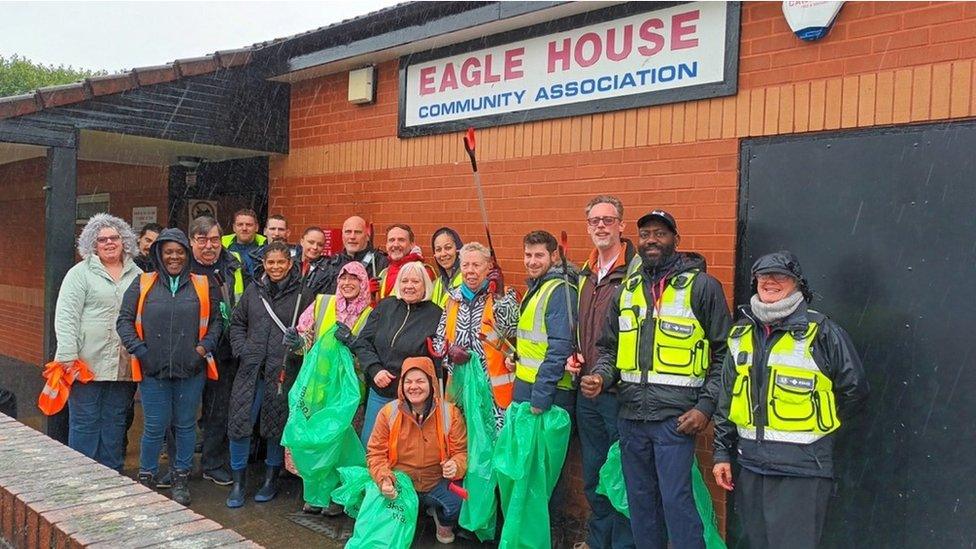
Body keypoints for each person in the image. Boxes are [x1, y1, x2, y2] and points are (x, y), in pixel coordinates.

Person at [580, 210, 731, 549]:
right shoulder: (627, 291)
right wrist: (601, 378)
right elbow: (609, 350)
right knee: (641, 505)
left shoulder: (702, 287)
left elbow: (726, 356)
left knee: (677, 504)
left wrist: (705, 408)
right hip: (631, 417)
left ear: (675, 240)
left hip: (675, 422)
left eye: (660, 234)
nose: (651, 240)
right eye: (645, 233)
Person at [712, 251, 868, 549]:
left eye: (780, 276)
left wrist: (822, 432)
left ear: (796, 284)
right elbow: (726, 399)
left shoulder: (821, 332)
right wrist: (721, 453)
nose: (770, 281)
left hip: (803, 470)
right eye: (763, 276)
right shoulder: (741, 333)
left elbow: (855, 391)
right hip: (753, 466)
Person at [117, 228, 221, 505]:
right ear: (159, 256)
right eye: (168, 252)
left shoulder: (203, 283)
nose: (174, 257)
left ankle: (180, 479)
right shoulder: (142, 283)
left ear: (187, 255)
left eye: (179, 252)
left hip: (191, 370)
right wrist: (141, 352)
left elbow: (217, 324)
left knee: (186, 426)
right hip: (154, 370)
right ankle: (147, 477)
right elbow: (124, 321)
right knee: (154, 426)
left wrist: (201, 351)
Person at [568, 196, 639, 549]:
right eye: (594, 220)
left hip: (621, 394)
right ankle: (599, 543)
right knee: (594, 475)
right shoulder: (585, 273)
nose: (601, 226)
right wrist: (575, 358)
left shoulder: (636, 272)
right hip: (587, 391)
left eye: (608, 220)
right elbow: (583, 328)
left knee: (623, 477)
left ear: (622, 226)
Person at [226, 242, 315, 507]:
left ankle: (270, 479)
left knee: (275, 426)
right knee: (240, 424)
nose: (275, 267)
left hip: (282, 370)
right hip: (250, 370)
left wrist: (297, 342)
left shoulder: (304, 294)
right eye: (270, 262)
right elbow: (237, 322)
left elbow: (311, 331)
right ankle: (238, 482)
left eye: (281, 262)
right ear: (264, 264)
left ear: (290, 264)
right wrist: (242, 349)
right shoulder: (254, 291)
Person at [55, 213, 142, 472]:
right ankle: (83, 476)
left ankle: (110, 473)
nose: (108, 243)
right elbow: (66, 315)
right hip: (86, 363)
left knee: (115, 420)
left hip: (122, 363)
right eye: (101, 239)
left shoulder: (138, 274)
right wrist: (68, 355)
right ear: (93, 244)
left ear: (124, 240)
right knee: (85, 420)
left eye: (114, 237)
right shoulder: (79, 274)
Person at [292, 260, 375, 515]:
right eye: (344, 278)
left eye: (355, 279)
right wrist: (295, 340)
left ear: (363, 284)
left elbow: (371, 349)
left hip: (349, 394)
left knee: (342, 444)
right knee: (317, 443)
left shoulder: (371, 314)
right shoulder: (322, 303)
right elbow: (304, 336)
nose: (348, 283)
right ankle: (316, 494)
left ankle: (339, 496)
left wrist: (351, 342)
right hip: (317, 390)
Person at [511, 230, 578, 538]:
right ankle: (529, 534)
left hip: (549, 396)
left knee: (546, 474)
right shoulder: (537, 289)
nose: (531, 261)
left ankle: (549, 535)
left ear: (554, 256)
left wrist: (541, 396)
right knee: (527, 469)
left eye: (539, 255)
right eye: (528, 255)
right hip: (527, 389)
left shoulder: (559, 291)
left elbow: (560, 346)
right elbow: (534, 343)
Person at [366, 356, 468, 545]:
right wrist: (384, 479)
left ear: (431, 383)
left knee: (460, 503)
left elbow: (461, 452)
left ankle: (441, 519)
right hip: (400, 483)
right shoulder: (389, 412)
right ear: (402, 385)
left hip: (436, 482)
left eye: (420, 381)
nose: (414, 387)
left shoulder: (450, 413)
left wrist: (456, 465)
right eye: (408, 381)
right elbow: (375, 453)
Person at [352, 261, 442, 446]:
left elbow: (438, 360)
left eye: (416, 281)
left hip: (415, 399)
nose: (409, 286)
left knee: (404, 450)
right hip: (381, 392)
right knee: (371, 446)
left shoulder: (436, 315)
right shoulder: (385, 307)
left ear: (425, 284)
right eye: (405, 281)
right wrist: (375, 369)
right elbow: (362, 342)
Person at [433, 242, 518, 430]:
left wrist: (500, 295)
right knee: (463, 445)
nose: (470, 270)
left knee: (494, 448)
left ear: (489, 267)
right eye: (465, 265)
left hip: (494, 396)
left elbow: (513, 328)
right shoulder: (452, 299)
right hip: (461, 393)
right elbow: (439, 342)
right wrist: (449, 352)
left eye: (476, 265)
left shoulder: (504, 294)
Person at [189, 216, 245, 487]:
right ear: (192, 242)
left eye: (213, 240)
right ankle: (182, 465)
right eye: (202, 240)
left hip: (224, 352)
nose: (209, 246)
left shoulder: (234, 266)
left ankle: (212, 463)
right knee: (184, 412)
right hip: (188, 352)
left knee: (218, 411)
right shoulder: (179, 265)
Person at [320, 216, 388, 294]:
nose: (352, 237)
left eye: (358, 232)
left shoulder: (380, 262)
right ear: (342, 235)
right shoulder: (333, 263)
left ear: (367, 237)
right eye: (348, 232)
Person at [376, 224, 434, 300]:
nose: (396, 244)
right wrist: (371, 297)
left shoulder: (424, 271)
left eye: (401, 240)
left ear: (412, 244)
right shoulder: (383, 273)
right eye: (391, 240)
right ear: (386, 245)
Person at [222, 208, 266, 279]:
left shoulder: (265, 247)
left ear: (256, 227)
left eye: (249, 225)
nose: (244, 228)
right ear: (234, 227)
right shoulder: (221, 247)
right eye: (240, 225)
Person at [430, 227, 464, 308]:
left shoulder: (469, 280)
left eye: (448, 248)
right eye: (438, 250)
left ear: (458, 249)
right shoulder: (435, 284)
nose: (443, 254)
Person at [296, 226, 331, 296]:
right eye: (311, 242)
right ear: (302, 242)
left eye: (320, 245)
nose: (315, 247)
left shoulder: (329, 269)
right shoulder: (289, 264)